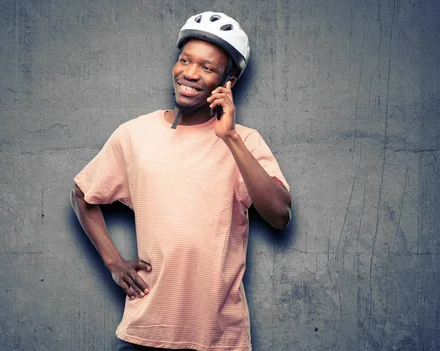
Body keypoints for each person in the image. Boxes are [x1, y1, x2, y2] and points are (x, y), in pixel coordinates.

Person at [70, 11, 292, 351]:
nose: (189, 73)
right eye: (184, 60)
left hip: (219, 338)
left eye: (207, 67)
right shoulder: (135, 134)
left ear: (227, 82)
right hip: (143, 332)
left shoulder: (245, 141)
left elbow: (279, 216)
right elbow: (82, 195)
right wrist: (114, 262)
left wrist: (230, 137)